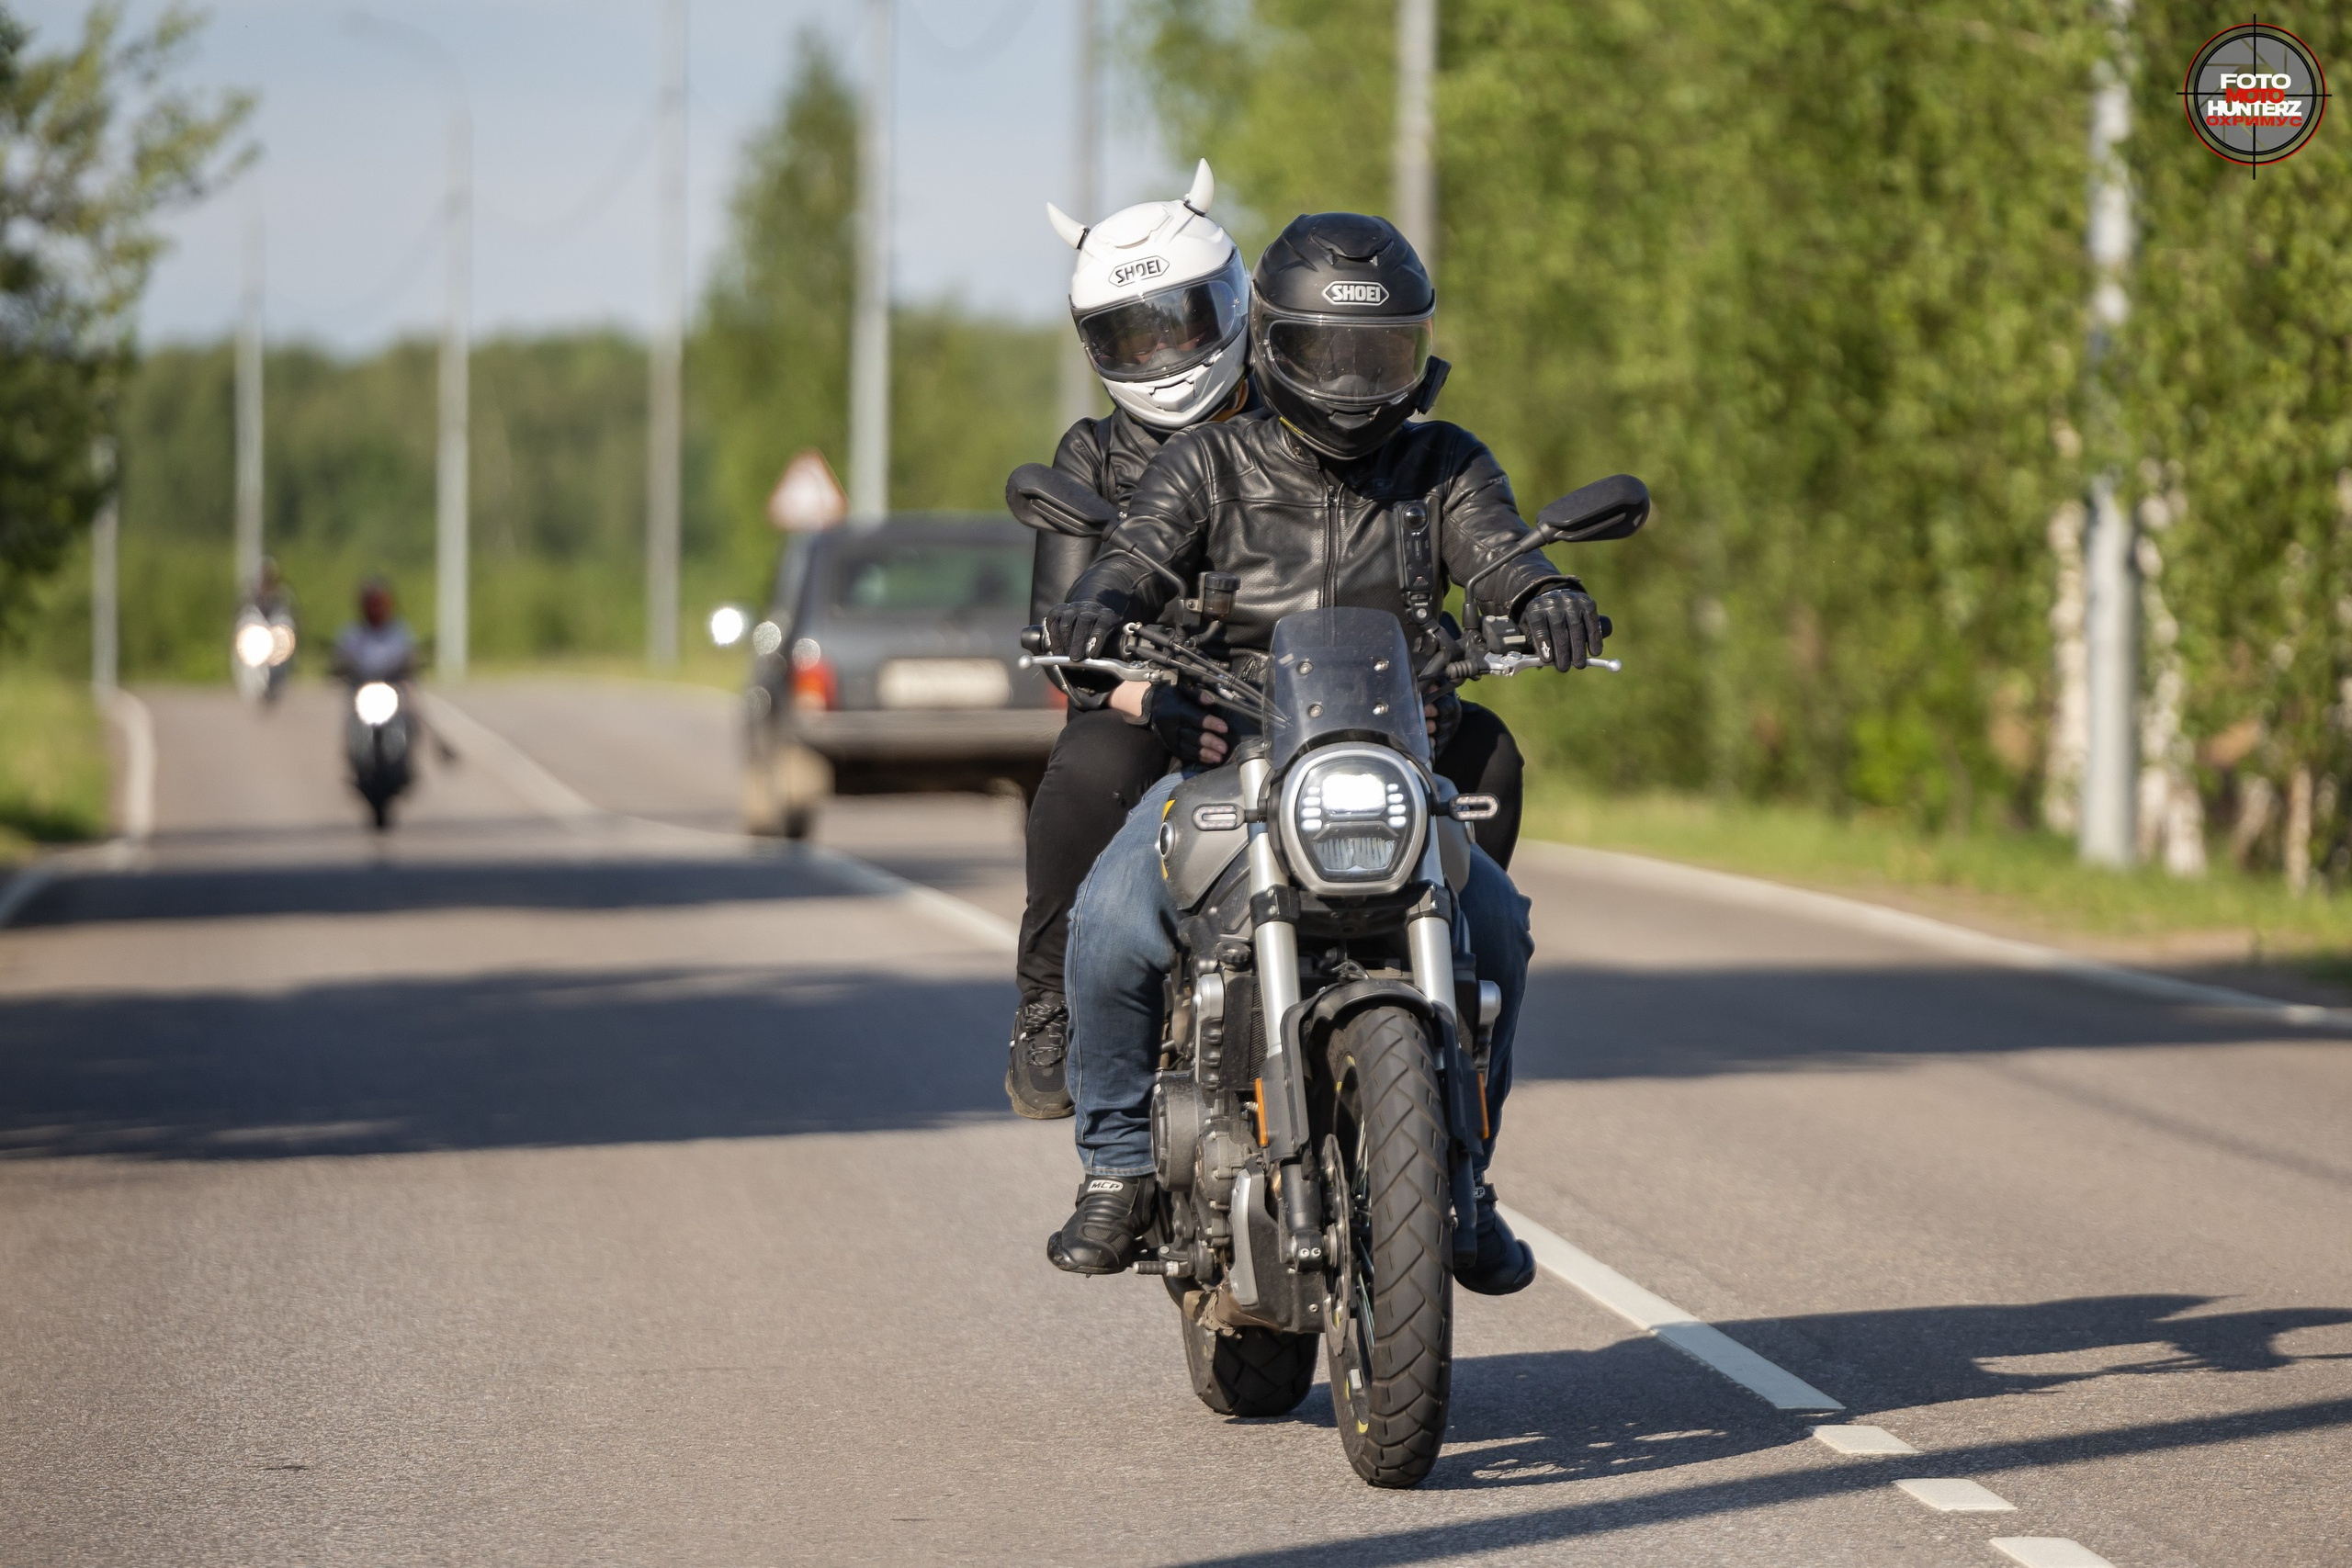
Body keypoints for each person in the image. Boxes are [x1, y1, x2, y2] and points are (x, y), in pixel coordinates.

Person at [1043, 212, 1609, 1296]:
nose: (1352, 384)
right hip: (1232, 748)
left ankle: (1466, 1181)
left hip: (1385, 753)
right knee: (1112, 921)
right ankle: (1115, 1166)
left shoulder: (1443, 463)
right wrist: (1099, 604)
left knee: (1498, 926)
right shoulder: (1209, 459)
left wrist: (1545, 593)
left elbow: (1493, 549)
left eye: (1378, 354)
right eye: (1325, 354)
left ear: (1416, 353)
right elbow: (1136, 551)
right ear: (1273, 346)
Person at [1007, 166, 1532, 1122]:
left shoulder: (1314, 408)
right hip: (1170, 697)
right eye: (1134, 334)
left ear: (1242, 307)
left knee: (1488, 770)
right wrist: (1150, 696)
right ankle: (1052, 1013)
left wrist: (1476, 637)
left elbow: (1447, 543)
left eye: (1183, 320)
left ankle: (1440, 962)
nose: (1166, 353)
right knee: (1085, 781)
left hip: (1337, 697)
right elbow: (1069, 640)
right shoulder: (1104, 458)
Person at [331, 578, 418, 683]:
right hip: (360, 684)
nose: (376, 608)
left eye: (380, 603)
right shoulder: (352, 633)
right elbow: (343, 659)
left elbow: (409, 658)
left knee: (412, 693)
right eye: (372, 603)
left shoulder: (400, 632)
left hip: (393, 684)